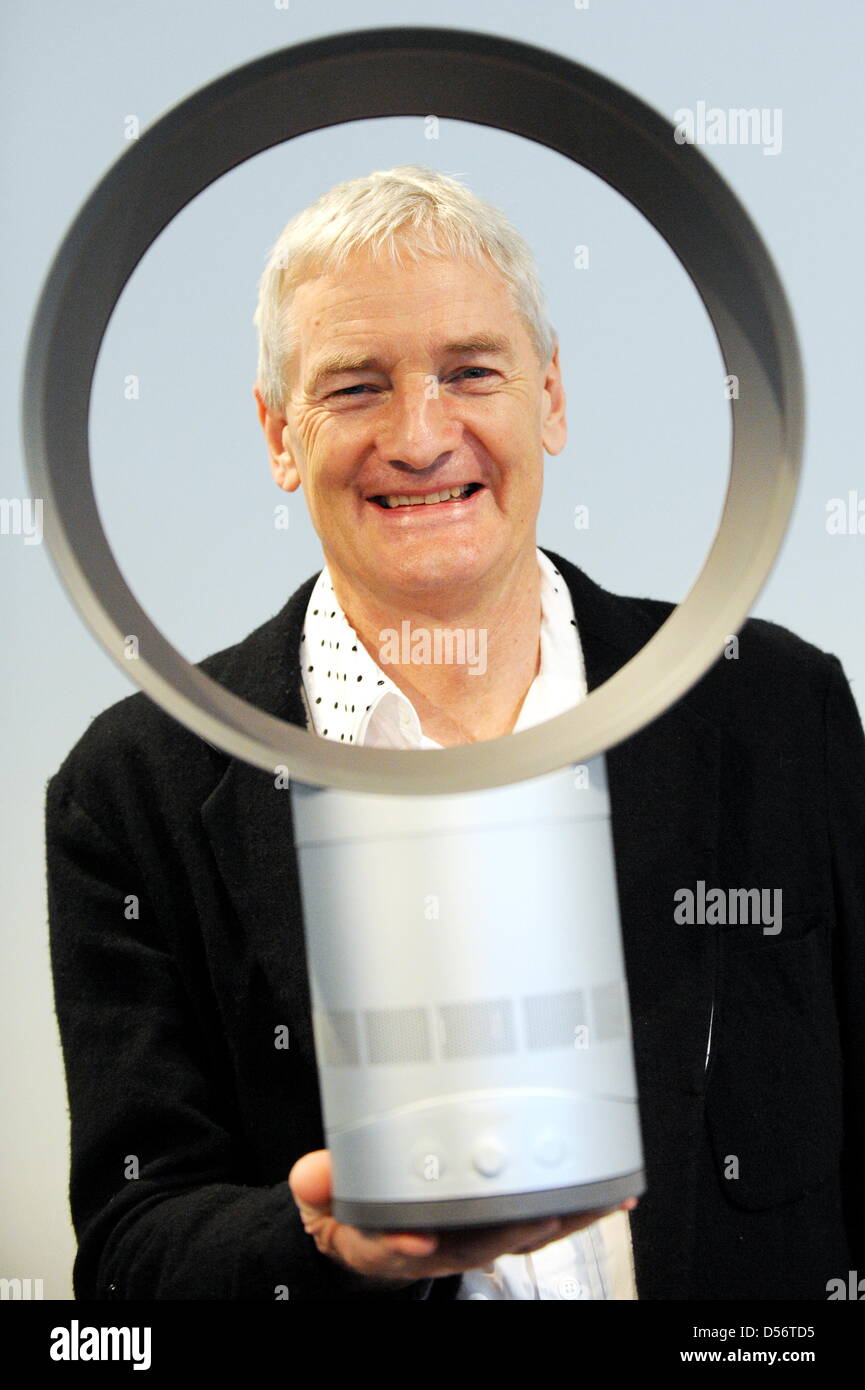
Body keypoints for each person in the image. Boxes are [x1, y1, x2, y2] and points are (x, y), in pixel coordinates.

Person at [45, 166, 864, 1301]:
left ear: (552, 396)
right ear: (279, 435)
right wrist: (324, 1244)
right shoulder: (130, 788)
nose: (421, 438)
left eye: (470, 372)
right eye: (355, 388)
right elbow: (132, 1252)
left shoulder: (773, 706)